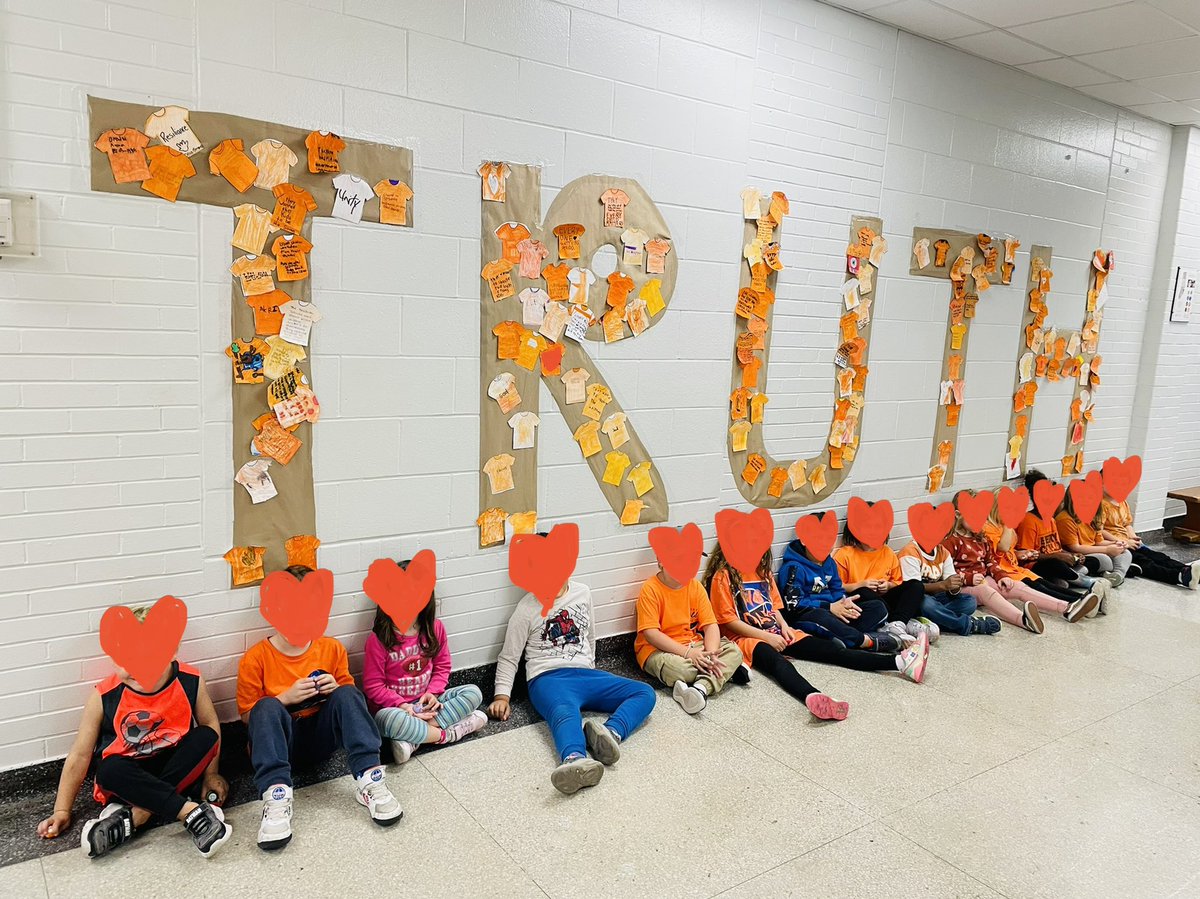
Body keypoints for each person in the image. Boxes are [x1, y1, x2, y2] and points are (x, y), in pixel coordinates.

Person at [36, 606, 231, 860]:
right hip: (127, 776)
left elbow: (211, 723)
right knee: (108, 769)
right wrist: (62, 809)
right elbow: (80, 755)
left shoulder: (190, 679)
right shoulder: (103, 695)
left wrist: (212, 773)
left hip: (173, 767)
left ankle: (137, 816)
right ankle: (188, 811)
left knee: (206, 736)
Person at [237, 565, 402, 851]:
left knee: (349, 693)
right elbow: (248, 718)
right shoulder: (256, 658)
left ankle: (370, 778)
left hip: (322, 740)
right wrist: (284, 698)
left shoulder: (331, 649)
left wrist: (334, 689)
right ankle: (275, 797)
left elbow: (348, 703)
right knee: (265, 706)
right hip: (281, 746)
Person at [488, 573, 655, 795]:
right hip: (547, 678)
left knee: (644, 692)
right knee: (565, 713)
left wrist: (591, 668)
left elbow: (590, 635)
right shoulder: (526, 609)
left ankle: (610, 733)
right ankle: (574, 759)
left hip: (585, 673)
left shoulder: (582, 592)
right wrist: (502, 696)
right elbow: (509, 656)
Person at [363, 559, 488, 765]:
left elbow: (442, 667)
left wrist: (433, 693)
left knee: (473, 692)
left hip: (428, 702)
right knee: (388, 720)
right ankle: (447, 734)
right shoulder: (378, 639)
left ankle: (414, 740)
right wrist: (402, 705)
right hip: (396, 709)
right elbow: (373, 686)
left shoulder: (434, 629)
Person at [944, 491, 1098, 632]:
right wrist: (968, 578)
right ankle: (1023, 620)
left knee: (1017, 586)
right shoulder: (951, 542)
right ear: (958, 515)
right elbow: (944, 573)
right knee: (986, 591)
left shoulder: (981, 538)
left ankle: (1067, 608)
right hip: (963, 587)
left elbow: (990, 562)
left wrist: (1001, 576)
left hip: (984, 580)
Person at [634, 560, 744, 714]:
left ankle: (700, 688)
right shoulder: (650, 589)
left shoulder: (695, 586)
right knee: (681, 670)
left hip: (694, 645)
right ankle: (723, 674)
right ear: (661, 561)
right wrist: (688, 654)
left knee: (735, 651)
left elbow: (711, 625)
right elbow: (651, 634)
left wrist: (711, 656)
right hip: (659, 651)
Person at [776, 532, 900, 652]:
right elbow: (793, 604)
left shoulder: (829, 562)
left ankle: (843, 636)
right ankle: (865, 641)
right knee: (821, 616)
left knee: (877, 607)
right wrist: (829, 607)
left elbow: (836, 588)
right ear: (804, 540)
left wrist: (844, 603)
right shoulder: (793, 567)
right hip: (807, 614)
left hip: (834, 611)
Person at [984, 492, 1105, 612]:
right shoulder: (991, 528)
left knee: (1044, 583)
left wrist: (1021, 553)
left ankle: (1084, 599)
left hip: (1015, 567)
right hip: (1004, 571)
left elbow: (1009, 549)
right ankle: (1079, 601)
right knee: (1040, 588)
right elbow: (1002, 548)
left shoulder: (1003, 525)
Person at [833, 518, 926, 645]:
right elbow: (837, 587)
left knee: (916, 585)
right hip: (863, 601)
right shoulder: (844, 554)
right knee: (864, 591)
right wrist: (861, 584)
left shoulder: (887, 552)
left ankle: (898, 624)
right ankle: (898, 624)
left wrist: (888, 585)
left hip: (885, 598)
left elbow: (897, 582)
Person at [1017, 470, 1108, 598]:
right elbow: (1026, 557)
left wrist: (1071, 555)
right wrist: (1059, 557)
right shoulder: (1028, 521)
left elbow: (1057, 548)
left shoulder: (1052, 520)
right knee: (1056, 564)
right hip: (1037, 566)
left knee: (1092, 560)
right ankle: (1086, 582)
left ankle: (1066, 578)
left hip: (1058, 562)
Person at [897, 538, 1001, 636]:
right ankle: (968, 624)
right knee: (927, 604)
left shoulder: (943, 552)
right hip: (915, 601)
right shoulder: (910, 552)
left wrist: (954, 587)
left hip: (936, 598)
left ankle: (936, 618)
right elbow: (912, 590)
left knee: (969, 602)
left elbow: (951, 588)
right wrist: (943, 585)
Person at [1101, 490, 1200, 589]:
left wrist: (1133, 537)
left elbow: (1127, 524)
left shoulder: (1122, 502)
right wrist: (1124, 542)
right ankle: (1178, 576)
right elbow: (1099, 531)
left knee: (1158, 556)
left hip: (1128, 541)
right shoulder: (1100, 505)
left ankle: (1187, 570)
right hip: (1116, 544)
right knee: (1145, 562)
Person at [1056, 489, 1133, 593]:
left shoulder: (1092, 516)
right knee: (1104, 559)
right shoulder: (1065, 519)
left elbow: (1099, 541)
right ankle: (1075, 576)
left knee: (1125, 553)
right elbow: (1075, 547)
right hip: (1078, 554)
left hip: (1093, 549)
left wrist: (1116, 544)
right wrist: (1107, 550)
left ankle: (1117, 576)